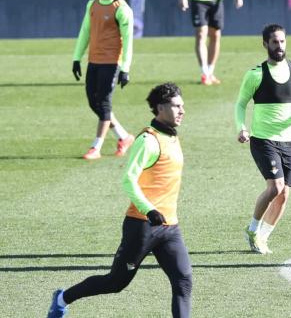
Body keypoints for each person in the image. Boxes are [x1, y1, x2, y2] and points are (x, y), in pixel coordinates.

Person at [47, 82, 192, 318]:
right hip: (142, 225)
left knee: (183, 281)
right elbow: (128, 180)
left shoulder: (172, 137)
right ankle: (62, 299)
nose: (182, 111)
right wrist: (149, 209)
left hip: (170, 227)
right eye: (176, 106)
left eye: (182, 105)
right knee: (115, 282)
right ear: (159, 108)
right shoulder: (148, 141)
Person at [235, 24, 291, 254]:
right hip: (264, 140)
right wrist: (241, 127)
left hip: (290, 142)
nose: (279, 46)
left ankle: (262, 237)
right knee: (275, 187)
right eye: (274, 42)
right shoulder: (256, 74)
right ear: (265, 44)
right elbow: (240, 104)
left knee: (284, 194)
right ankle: (253, 229)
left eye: (282, 41)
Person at [72, 0, 135, 160]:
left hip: (112, 62)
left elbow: (128, 40)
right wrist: (77, 58)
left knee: (104, 103)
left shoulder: (122, 8)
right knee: (94, 102)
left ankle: (96, 147)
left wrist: (125, 69)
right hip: (94, 61)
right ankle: (124, 137)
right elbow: (85, 31)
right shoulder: (92, 4)